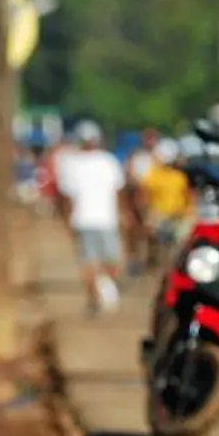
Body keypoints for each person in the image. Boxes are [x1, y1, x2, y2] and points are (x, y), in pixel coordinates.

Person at [52, 120, 126, 314]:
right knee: (92, 262)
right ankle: (94, 298)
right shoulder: (76, 163)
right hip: (87, 219)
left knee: (109, 262)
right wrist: (67, 220)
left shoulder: (105, 161)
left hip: (103, 219)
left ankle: (102, 288)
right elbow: (68, 197)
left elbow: (118, 191)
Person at [140, 138, 194, 271]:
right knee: (157, 244)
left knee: (177, 247)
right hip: (159, 214)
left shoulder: (181, 176)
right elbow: (145, 196)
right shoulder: (154, 174)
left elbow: (189, 196)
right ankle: (155, 267)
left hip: (178, 216)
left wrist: (188, 214)